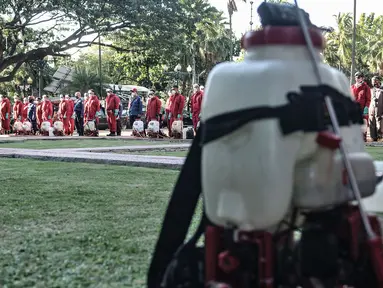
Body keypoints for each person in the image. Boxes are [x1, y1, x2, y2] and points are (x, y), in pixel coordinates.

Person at [351, 71, 371, 141]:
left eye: (359, 77)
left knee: (364, 123)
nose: (358, 79)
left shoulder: (366, 87)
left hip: (363, 109)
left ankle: (363, 138)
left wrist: (366, 107)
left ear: (362, 78)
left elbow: (368, 99)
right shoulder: (352, 87)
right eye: (356, 77)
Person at [369, 76, 383, 141]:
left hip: (380, 109)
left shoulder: (382, 90)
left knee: (379, 121)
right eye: (373, 81)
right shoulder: (371, 90)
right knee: (372, 121)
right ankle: (373, 137)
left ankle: (380, 136)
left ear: (379, 81)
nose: (374, 82)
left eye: (375, 80)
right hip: (372, 109)